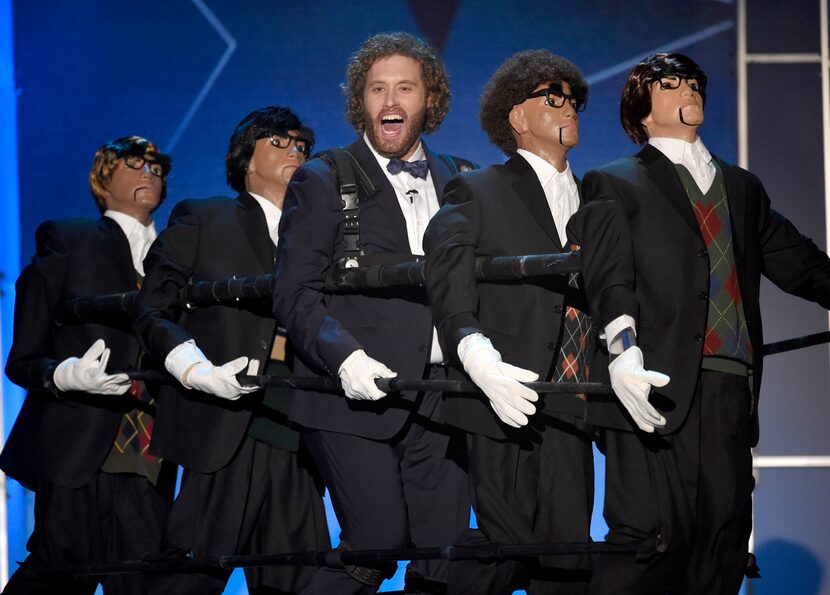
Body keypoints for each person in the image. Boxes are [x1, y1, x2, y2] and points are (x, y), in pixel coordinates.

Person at [567, 53, 830, 594]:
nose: (688, 89)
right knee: (654, 540)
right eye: (670, 83)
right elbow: (608, 275)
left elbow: (798, 262)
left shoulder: (743, 188)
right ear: (642, 109)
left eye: (694, 81)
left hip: (730, 384)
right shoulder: (614, 182)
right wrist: (622, 350)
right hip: (654, 383)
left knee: (724, 537)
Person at [273, 32, 472, 594]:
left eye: (404, 88)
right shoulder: (323, 176)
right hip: (349, 398)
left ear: (429, 99)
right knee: (376, 544)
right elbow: (295, 293)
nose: (389, 101)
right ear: (359, 102)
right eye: (376, 89)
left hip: (441, 395)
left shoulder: (462, 177)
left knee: (444, 553)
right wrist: (347, 361)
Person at [132, 107, 329, 595]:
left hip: (302, 428)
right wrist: (194, 368)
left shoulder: (326, 237)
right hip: (226, 423)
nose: (296, 151)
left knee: (300, 579)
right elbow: (151, 310)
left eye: (301, 145)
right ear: (246, 158)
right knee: (189, 577)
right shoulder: (203, 217)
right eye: (279, 142)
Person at [424, 50, 594, 595]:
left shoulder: (598, 197)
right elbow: (446, 276)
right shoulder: (479, 188)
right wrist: (477, 357)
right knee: (506, 547)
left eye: (573, 98)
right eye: (552, 97)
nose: (567, 105)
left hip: (576, 399)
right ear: (516, 117)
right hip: (503, 396)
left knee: (566, 557)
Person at [1, 136, 174, 595]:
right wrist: (65, 373)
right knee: (62, 571)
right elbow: (23, 358)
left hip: (151, 450)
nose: (148, 174)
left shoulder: (176, 258)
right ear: (102, 180)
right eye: (134, 164)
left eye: (156, 168)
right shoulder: (69, 238)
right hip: (80, 440)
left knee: (146, 577)